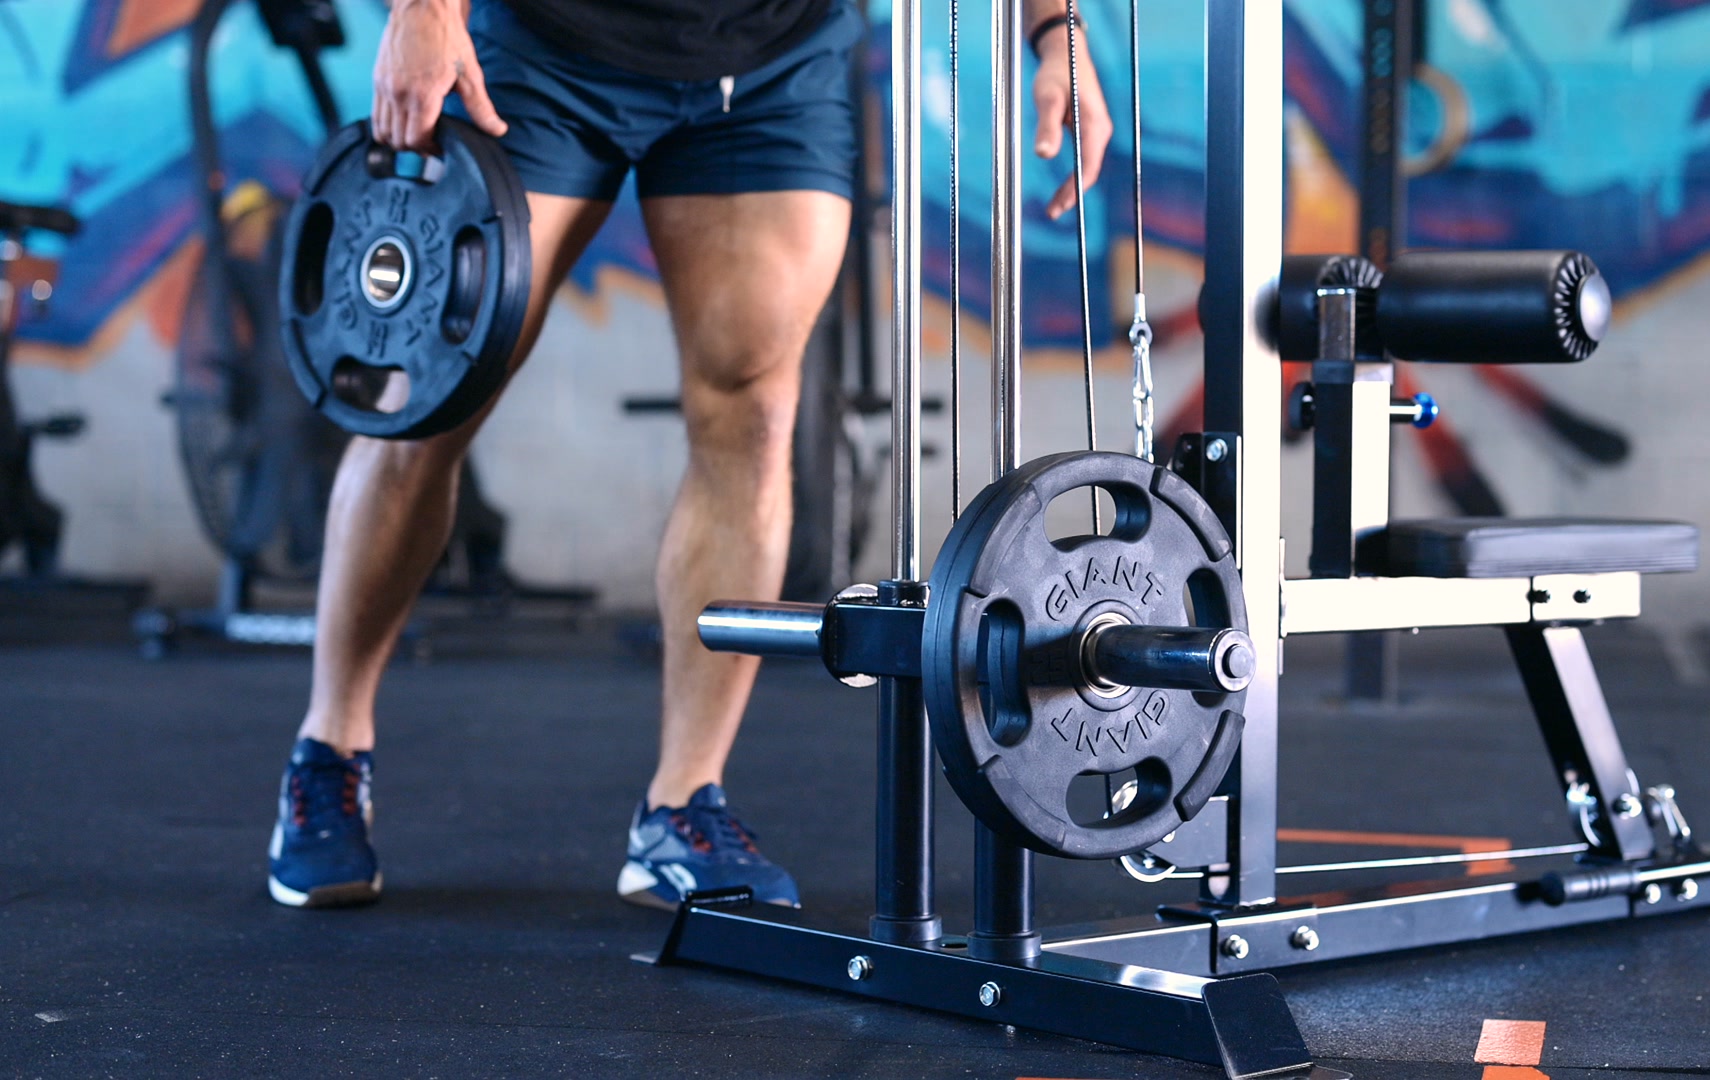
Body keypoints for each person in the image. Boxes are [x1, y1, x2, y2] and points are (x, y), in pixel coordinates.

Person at [266, 0, 1113, 908]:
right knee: (430, 396)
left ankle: (682, 802)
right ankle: (330, 746)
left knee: (751, 412)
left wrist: (1056, 29)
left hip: (769, 62)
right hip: (549, 52)